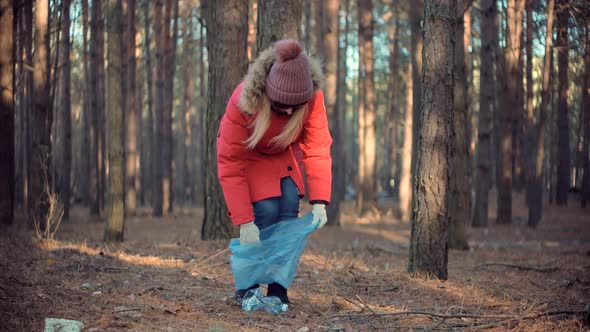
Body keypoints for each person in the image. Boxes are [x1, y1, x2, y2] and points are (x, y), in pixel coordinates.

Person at [217, 39, 332, 305]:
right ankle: (248, 286)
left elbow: (318, 146)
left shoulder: (313, 96)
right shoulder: (244, 101)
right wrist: (244, 221)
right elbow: (230, 162)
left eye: (296, 106)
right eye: (282, 107)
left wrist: (319, 201)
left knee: (289, 208)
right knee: (265, 210)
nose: (290, 111)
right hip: (251, 156)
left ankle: (279, 287)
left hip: (284, 156)